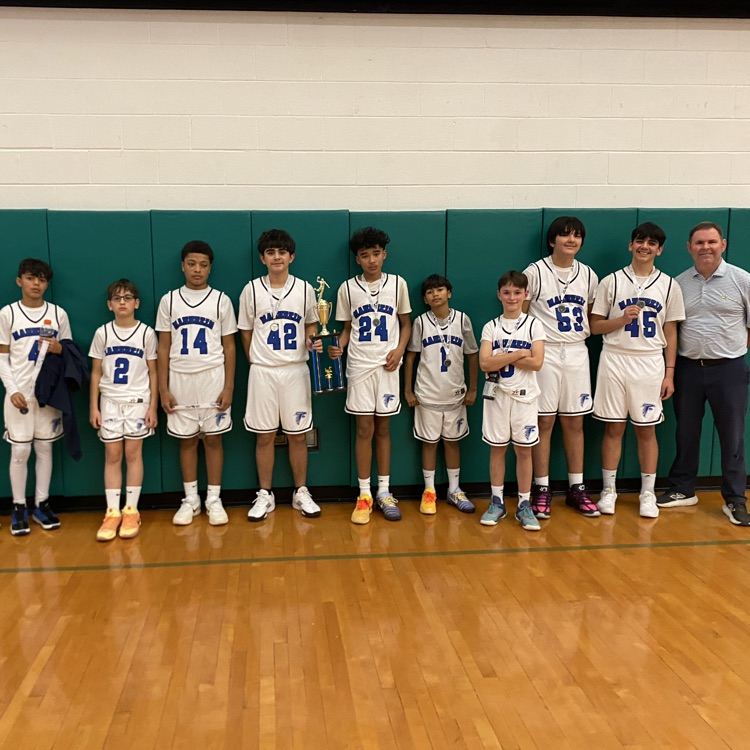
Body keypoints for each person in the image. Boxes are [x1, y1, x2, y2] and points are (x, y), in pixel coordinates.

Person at [657, 222, 750, 526]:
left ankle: (735, 499)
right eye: (699, 243)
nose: (705, 247)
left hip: (729, 370)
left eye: (711, 242)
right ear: (689, 247)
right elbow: (672, 328)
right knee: (686, 432)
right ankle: (683, 489)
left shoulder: (741, 280)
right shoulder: (678, 283)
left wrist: (734, 350)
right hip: (688, 369)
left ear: (723, 244)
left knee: (732, 437)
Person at [590, 222, 685, 518]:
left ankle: (647, 493)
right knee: (613, 427)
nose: (645, 246)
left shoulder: (669, 285)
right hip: (615, 358)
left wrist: (669, 373)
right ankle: (608, 491)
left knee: (647, 430)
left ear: (660, 249)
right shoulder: (611, 281)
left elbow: (671, 333)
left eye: (652, 243)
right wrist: (620, 320)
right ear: (631, 245)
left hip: (649, 361)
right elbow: (594, 327)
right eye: (640, 241)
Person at [329, 227, 412, 524]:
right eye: (365, 255)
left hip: (388, 366)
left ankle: (384, 491)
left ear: (384, 254)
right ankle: (364, 493)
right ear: (358, 259)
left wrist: (400, 350)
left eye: (376, 254)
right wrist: (337, 347)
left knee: (384, 430)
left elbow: (406, 324)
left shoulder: (398, 284)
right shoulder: (347, 289)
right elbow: (347, 330)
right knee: (364, 429)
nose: (372, 260)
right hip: (360, 366)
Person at [238, 229, 322, 521]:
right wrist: (256, 360)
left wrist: (312, 340)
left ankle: (300, 492)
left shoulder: (305, 289)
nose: (277, 257)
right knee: (264, 436)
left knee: (298, 436)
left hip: (295, 370)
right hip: (262, 372)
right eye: (271, 252)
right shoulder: (251, 290)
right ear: (263, 258)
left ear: (291, 256)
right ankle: (265, 494)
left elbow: (312, 324)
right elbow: (245, 332)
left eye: (282, 252)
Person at [523, 216, 599, 519]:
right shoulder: (535, 272)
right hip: (547, 353)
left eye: (577, 235)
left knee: (574, 423)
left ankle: (576, 487)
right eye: (565, 235)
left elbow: (592, 315)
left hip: (578, 352)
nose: (571, 240)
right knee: (544, 423)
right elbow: (524, 317)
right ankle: (541, 488)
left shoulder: (589, 275)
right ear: (552, 240)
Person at [156, 240, 236, 527]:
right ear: (182, 266)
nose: (197, 269)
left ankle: (214, 498)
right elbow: (163, 347)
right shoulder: (169, 300)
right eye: (192, 264)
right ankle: (191, 499)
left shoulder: (221, 300)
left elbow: (230, 347)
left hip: (212, 377)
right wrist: (164, 388)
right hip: (180, 379)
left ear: (210, 267)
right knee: (187, 440)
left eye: (203, 264)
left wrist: (229, 387)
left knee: (214, 440)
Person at [0, 258, 71, 535]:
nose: (36, 284)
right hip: (19, 394)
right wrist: (12, 388)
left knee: (44, 448)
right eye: (31, 278)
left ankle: (42, 503)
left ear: (47, 284)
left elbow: (69, 352)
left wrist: (59, 349)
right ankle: (18, 506)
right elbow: (2, 357)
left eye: (41, 279)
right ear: (20, 281)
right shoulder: (7, 314)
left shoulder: (58, 313)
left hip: (48, 395)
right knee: (20, 450)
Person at [89, 279, 158, 542]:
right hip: (109, 402)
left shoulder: (146, 333)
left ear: (136, 303)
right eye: (117, 299)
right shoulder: (102, 333)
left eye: (127, 298)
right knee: (113, 453)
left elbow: (153, 372)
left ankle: (131, 510)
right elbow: (95, 372)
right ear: (109, 305)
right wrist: (93, 406)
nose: (122, 302)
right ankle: (112, 511)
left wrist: (152, 406)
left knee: (133, 452)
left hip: (138, 402)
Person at [404, 274, 479, 515]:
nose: (435, 294)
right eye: (430, 292)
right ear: (425, 299)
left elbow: (473, 354)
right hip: (427, 394)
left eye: (440, 289)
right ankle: (429, 491)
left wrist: (474, 388)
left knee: (452, 442)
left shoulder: (463, 320)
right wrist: (408, 389)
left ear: (449, 293)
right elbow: (411, 357)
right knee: (429, 443)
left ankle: (454, 490)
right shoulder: (420, 322)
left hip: (455, 394)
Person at [479, 271, 546, 532]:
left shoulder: (533, 325)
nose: (512, 297)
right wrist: (518, 353)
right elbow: (485, 362)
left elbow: (537, 362)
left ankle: (524, 504)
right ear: (499, 295)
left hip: (525, 398)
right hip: (497, 397)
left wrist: (501, 355)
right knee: (497, 449)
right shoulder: (490, 326)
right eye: (506, 292)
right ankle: (497, 502)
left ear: (525, 295)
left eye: (517, 292)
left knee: (524, 450)